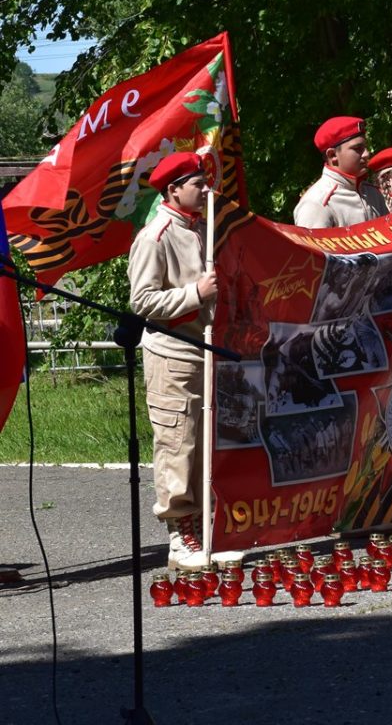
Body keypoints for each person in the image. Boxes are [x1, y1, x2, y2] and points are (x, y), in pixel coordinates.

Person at [129, 151, 241, 571]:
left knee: (209, 441)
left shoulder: (205, 229)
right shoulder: (156, 235)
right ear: (173, 189)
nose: (206, 190)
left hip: (208, 350)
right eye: (198, 183)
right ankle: (181, 532)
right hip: (172, 352)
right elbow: (142, 301)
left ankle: (209, 528)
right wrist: (196, 294)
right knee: (179, 441)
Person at [294, 116, 387, 228]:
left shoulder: (373, 193)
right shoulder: (317, 203)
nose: (367, 154)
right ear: (332, 155)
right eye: (358, 148)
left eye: (365, 147)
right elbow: (310, 246)